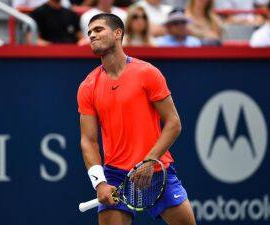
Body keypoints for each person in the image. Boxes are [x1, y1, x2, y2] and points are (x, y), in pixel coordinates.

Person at [77, 13, 197, 225]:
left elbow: (173, 123)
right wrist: (100, 184)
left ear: (117, 33)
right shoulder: (88, 86)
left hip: (158, 169)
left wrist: (150, 160)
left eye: (98, 30)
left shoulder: (147, 73)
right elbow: (88, 140)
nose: (92, 36)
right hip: (115, 176)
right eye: (89, 33)